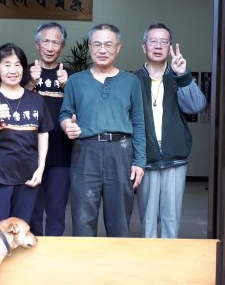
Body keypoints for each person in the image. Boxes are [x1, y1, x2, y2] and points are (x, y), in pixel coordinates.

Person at [59, 24, 146, 237]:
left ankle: (114, 268)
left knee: (119, 220)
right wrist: (66, 125)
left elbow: (138, 122)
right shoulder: (76, 81)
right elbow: (64, 113)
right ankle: (85, 268)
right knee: (82, 219)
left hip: (121, 152)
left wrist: (140, 161)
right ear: (89, 47)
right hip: (86, 151)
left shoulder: (130, 81)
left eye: (108, 44)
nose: (102, 50)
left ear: (118, 48)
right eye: (97, 44)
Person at [134, 23, 206, 238]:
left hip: (175, 158)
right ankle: (149, 260)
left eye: (164, 42)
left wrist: (182, 75)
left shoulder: (178, 77)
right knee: (147, 217)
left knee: (171, 217)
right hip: (145, 160)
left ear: (170, 47)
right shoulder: (132, 80)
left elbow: (195, 106)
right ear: (143, 46)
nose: (158, 46)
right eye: (153, 41)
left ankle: (170, 261)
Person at [0, 43, 54, 229]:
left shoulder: (36, 100)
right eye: (7, 64)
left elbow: (43, 134)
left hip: (27, 176)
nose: (13, 70)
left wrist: (40, 168)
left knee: (23, 230)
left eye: (17, 65)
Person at [22, 22, 74, 236]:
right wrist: (30, 84)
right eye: (46, 41)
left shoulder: (71, 76)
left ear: (62, 46)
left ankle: (52, 260)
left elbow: (84, 109)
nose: (50, 47)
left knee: (56, 213)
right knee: (31, 213)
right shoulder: (23, 74)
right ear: (37, 44)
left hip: (62, 155)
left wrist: (68, 86)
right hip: (29, 155)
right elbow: (13, 106)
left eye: (56, 42)